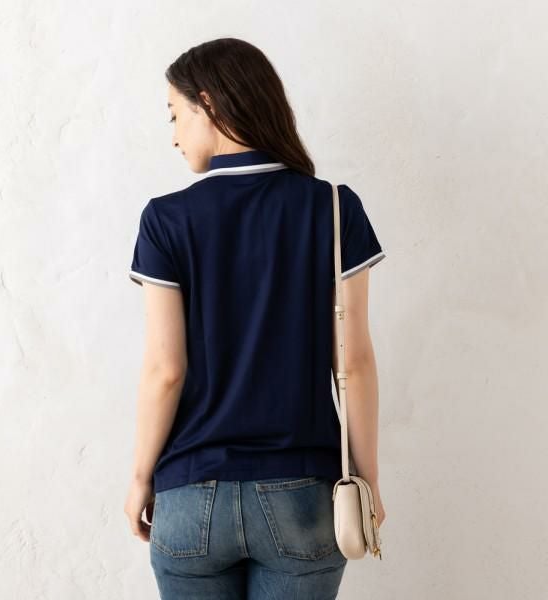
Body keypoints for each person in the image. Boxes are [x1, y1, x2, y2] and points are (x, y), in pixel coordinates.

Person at [123, 37, 387, 599]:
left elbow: (166, 371)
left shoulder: (165, 220)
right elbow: (354, 363)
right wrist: (367, 480)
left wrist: (141, 478)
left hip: (191, 494)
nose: (173, 135)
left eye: (174, 114)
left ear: (208, 104)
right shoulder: (333, 208)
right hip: (304, 496)